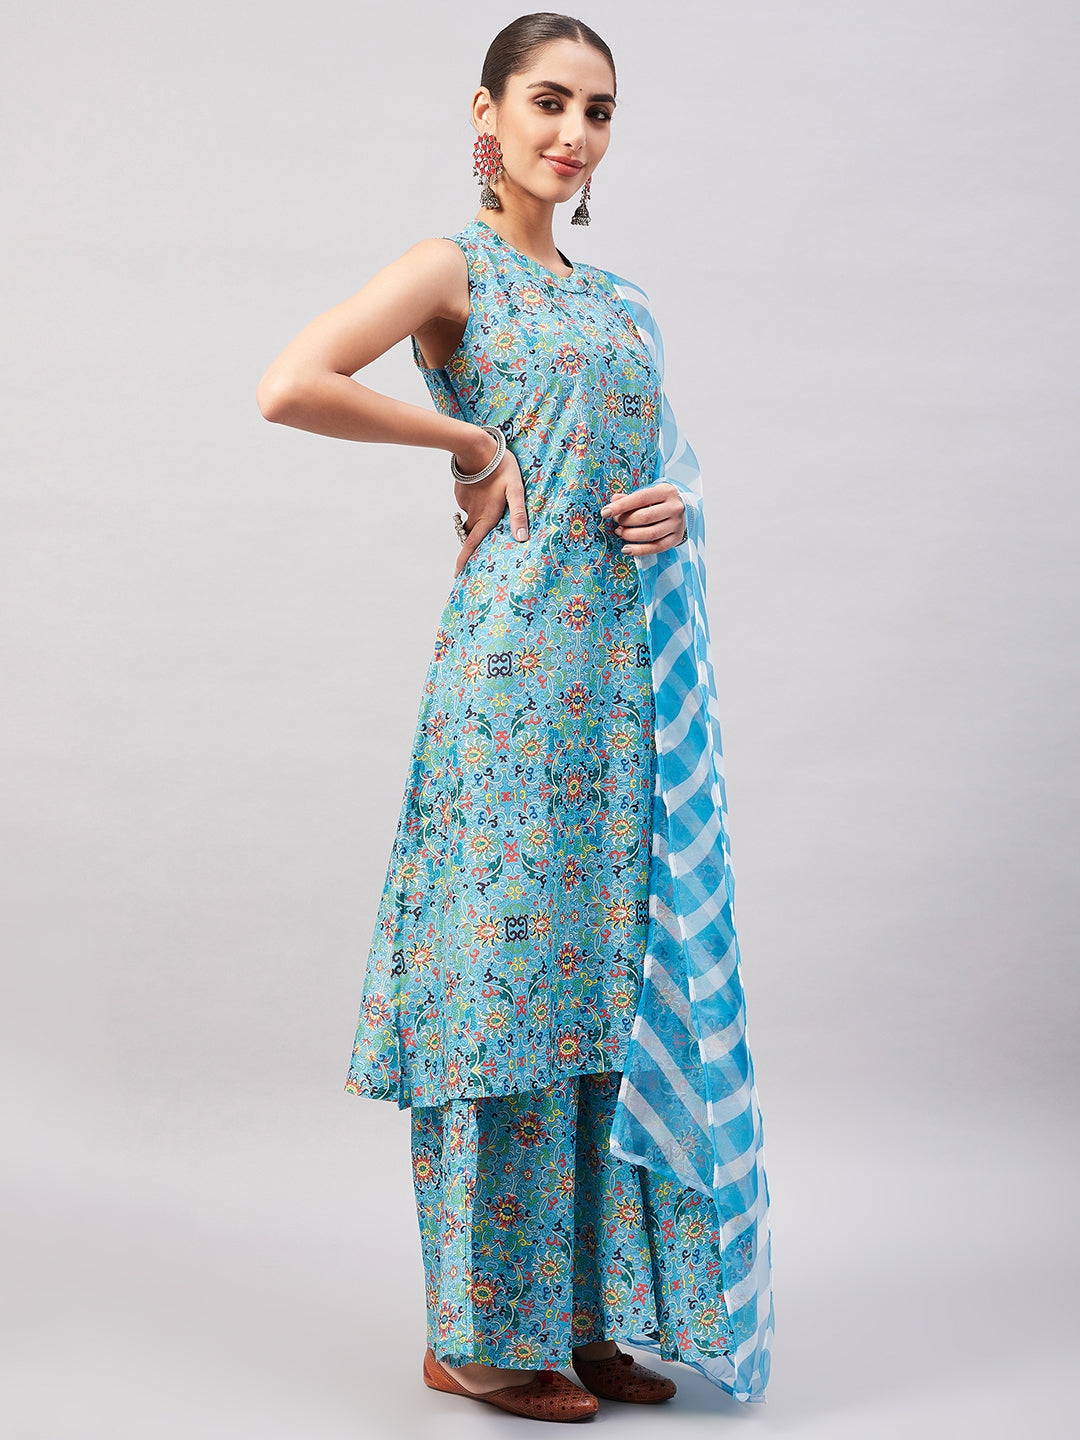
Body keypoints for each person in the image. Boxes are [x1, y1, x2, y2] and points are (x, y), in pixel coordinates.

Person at [257, 11, 773, 1422]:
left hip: (624, 685)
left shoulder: (623, 304)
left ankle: (585, 1319)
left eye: (599, 111)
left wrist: (673, 509)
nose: (575, 133)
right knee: (500, 994)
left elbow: (649, 464)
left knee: (606, 990)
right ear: (485, 112)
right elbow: (291, 383)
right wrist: (466, 439)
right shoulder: (453, 269)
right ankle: (479, 1331)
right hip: (511, 685)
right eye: (549, 101)